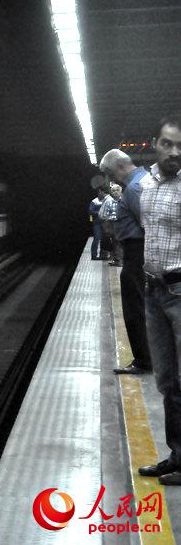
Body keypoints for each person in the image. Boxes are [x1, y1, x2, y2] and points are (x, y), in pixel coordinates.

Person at [136, 113, 181, 485]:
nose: (174, 152)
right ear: (155, 144)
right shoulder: (146, 184)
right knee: (166, 381)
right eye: (167, 143)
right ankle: (177, 455)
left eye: (180, 146)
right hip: (154, 292)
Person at [100, 148, 151, 374]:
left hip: (137, 252)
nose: (112, 179)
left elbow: (149, 224)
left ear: (120, 167)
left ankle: (143, 360)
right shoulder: (142, 181)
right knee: (140, 306)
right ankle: (147, 357)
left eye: (111, 173)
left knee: (134, 308)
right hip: (137, 252)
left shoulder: (134, 188)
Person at [98, 183, 122, 266]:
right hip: (113, 224)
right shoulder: (109, 202)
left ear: (120, 191)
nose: (116, 192)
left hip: (122, 224)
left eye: (117, 190)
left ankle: (120, 260)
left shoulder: (124, 201)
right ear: (111, 192)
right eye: (114, 191)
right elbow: (104, 214)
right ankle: (117, 260)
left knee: (120, 242)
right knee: (115, 242)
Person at [88, 187, 108, 259]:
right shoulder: (94, 201)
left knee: (105, 239)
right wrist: (99, 213)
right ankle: (94, 255)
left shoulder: (107, 200)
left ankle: (103, 255)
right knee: (97, 237)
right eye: (99, 192)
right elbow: (90, 211)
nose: (100, 193)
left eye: (101, 192)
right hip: (97, 223)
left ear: (104, 192)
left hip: (105, 223)